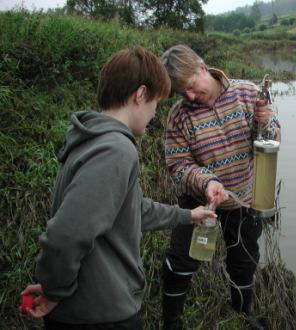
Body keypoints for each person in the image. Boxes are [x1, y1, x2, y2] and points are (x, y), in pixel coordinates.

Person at [20, 45, 216, 330]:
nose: (153, 114)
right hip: (100, 315)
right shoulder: (115, 150)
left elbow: (133, 209)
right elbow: (66, 235)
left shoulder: (90, 138)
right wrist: (54, 291)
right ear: (140, 95)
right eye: (155, 103)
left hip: (86, 310)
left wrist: (188, 216)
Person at [160, 45, 280, 329]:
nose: (189, 96)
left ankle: (242, 312)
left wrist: (267, 124)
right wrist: (207, 181)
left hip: (242, 202)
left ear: (202, 68)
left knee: (244, 261)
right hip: (200, 204)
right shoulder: (179, 116)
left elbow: (273, 136)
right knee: (180, 262)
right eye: (181, 92)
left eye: (190, 86)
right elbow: (177, 164)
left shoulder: (248, 93)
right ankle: (171, 322)